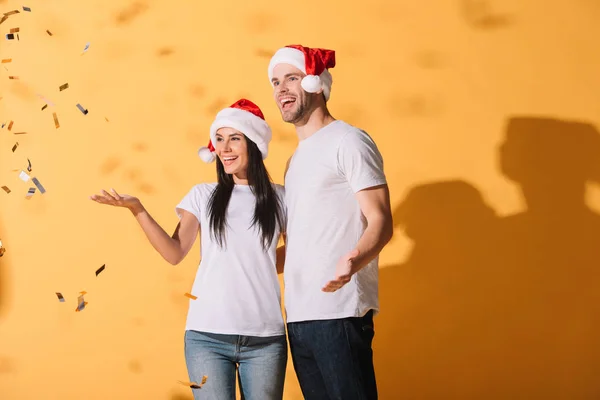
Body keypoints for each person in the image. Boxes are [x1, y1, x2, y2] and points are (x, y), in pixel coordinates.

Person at [90, 99, 288, 400]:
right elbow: (174, 252)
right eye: (219, 140)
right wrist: (137, 208)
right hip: (207, 336)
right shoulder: (203, 195)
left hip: (266, 339)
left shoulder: (280, 198)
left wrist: (257, 262)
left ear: (253, 142)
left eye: (234, 138)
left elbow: (299, 251)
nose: (224, 149)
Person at [267, 45, 394, 400]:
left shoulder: (349, 140)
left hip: (340, 311)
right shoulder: (293, 163)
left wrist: (353, 259)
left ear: (315, 82)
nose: (282, 89)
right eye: (276, 82)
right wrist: (243, 262)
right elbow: (295, 246)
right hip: (299, 314)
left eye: (292, 78)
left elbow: (381, 221)